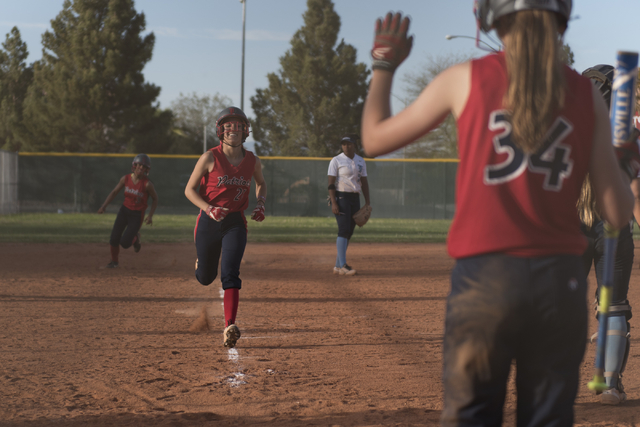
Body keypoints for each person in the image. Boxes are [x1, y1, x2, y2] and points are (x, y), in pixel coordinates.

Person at [361, 2, 637, 426]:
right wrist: (625, 159)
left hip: (486, 280)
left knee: (471, 416)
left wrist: (384, 66)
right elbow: (617, 214)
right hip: (557, 285)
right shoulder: (584, 94)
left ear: (487, 16)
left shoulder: (464, 78)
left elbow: (375, 139)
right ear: (562, 17)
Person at [578, 64, 640, 405]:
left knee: (558, 303)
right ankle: (610, 385)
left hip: (567, 227)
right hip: (614, 229)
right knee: (613, 307)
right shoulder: (626, 139)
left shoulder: (562, 129)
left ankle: (549, 384)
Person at [184, 106, 266, 349]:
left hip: (235, 222)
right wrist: (209, 209)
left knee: (230, 272)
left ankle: (230, 325)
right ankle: (201, 265)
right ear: (221, 130)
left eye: (238, 125)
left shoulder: (252, 160)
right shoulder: (209, 157)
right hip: (209, 221)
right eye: (228, 125)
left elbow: (261, 183)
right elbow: (189, 190)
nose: (234, 129)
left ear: (245, 130)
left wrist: (261, 203)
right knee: (206, 278)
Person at [98, 153, 158, 268]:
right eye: (139, 165)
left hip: (137, 215)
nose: (141, 168)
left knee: (125, 243)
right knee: (114, 238)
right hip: (124, 211)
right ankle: (114, 263)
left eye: (144, 166)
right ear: (134, 165)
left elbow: (155, 199)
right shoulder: (125, 179)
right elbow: (114, 192)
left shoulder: (147, 184)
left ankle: (136, 238)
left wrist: (150, 215)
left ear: (147, 169)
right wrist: (104, 206)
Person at [327, 134, 371, 276]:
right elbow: (331, 184)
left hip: (355, 197)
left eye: (349, 144)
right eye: (344, 144)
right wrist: (334, 202)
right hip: (341, 196)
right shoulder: (336, 160)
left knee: (349, 232)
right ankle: (343, 266)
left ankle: (338, 265)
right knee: (344, 230)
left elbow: (364, 182)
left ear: (354, 145)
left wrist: (367, 202)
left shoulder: (360, 161)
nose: (346, 146)